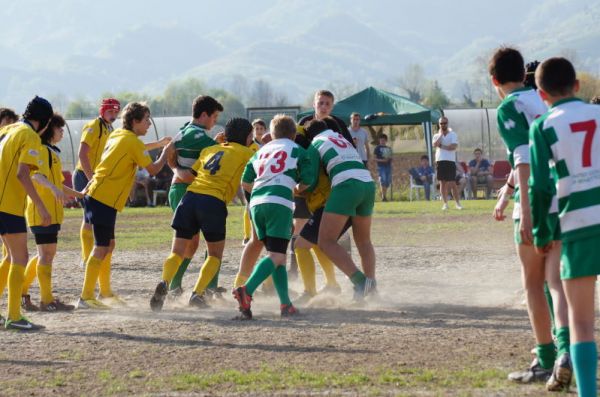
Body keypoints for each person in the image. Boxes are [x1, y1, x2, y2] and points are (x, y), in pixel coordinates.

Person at [489, 47, 570, 391]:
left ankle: (546, 358)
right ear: (524, 74)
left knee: (532, 282)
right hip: (566, 196)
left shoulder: (509, 106)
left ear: (494, 81)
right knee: (558, 280)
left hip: (537, 195)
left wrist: (523, 208)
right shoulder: (543, 101)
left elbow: (523, 159)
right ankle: (569, 350)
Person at [529, 57, 600, 397]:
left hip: (579, 222)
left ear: (541, 95)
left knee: (582, 323)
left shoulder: (542, 126)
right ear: (577, 86)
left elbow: (540, 187)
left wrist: (543, 233)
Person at [149, 118, 254, 312]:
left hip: (189, 198)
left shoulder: (209, 150)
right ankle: (197, 294)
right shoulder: (248, 153)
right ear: (248, 137)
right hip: (213, 202)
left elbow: (193, 173)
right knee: (214, 255)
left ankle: (164, 282)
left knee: (177, 252)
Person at [78, 102, 171, 309]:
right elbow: (154, 169)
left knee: (108, 245)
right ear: (135, 121)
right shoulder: (131, 142)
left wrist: (157, 145)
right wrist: (165, 151)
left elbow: (136, 150)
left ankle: (105, 293)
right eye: (146, 119)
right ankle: (86, 298)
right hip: (102, 197)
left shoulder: (120, 135)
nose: (148, 124)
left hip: (103, 197)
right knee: (101, 247)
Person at [233, 115, 313, 319]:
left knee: (275, 255)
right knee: (277, 255)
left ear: (272, 134)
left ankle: (285, 304)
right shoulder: (297, 149)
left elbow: (245, 182)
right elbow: (308, 180)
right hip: (279, 203)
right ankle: (246, 290)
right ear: (294, 134)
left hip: (256, 204)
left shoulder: (261, 151)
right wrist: (296, 188)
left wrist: (261, 190)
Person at [304, 119, 376, 300]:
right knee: (364, 242)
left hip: (346, 185)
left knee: (326, 242)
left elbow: (310, 181)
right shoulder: (341, 139)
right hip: (367, 183)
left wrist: (297, 189)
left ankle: (361, 282)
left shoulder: (315, 143)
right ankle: (372, 287)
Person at [0, 96, 55, 330]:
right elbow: (23, 174)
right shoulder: (31, 136)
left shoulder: (8, 129)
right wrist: (41, 206)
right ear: (45, 122)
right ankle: (14, 316)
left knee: (10, 258)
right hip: (8, 205)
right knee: (20, 258)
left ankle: (11, 314)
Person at [21, 114, 83, 312]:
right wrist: (54, 189)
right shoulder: (41, 150)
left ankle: (27, 293)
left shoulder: (51, 152)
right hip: (42, 211)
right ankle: (46, 300)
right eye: (59, 128)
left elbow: (58, 185)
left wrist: (79, 194)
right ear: (49, 129)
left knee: (46, 255)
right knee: (45, 255)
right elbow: (35, 175)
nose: (62, 132)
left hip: (52, 212)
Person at [167, 96, 223, 297]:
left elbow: (171, 150)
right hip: (184, 190)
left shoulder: (186, 130)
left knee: (193, 243)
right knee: (189, 242)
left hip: (189, 189)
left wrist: (175, 167)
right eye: (214, 116)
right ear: (204, 115)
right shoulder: (195, 134)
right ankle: (176, 285)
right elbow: (170, 151)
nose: (215, 121)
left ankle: (182, 285)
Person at [73, 98, 121, 270]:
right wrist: (91, 177)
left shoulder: (110, 128)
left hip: (97, 177)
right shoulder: (94, 126)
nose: (113, 115)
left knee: (92, 218)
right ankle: (86, 258)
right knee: (88, 217)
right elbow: (82, 154)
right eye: (110, 111)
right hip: (84, 174)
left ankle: (93, 255)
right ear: (102, 111)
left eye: (116, 112)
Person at [433, 117, 462, 210]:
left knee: (452, 183)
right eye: (441, 123)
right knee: (442, 183)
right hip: (440, 160)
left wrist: (441, 146)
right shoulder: (436, 135)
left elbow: (453, 147)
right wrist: (441, 135)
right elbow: (434, 144)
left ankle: (458, 203)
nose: (443, 125)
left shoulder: (453, 134)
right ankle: (445, 204)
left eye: (444, 123)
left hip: (450, 161)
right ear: (439, 124)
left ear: (447, 123)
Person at [373, 134, 392, 201]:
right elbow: (374, 158)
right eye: (381, 140)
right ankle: (384, 197)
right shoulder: (377, 148)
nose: (382, 141)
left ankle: (383, 195)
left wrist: (389, 158)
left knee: (388, 182)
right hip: (381, 166)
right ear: (379, 140)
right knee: (383, 180)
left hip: (388, 166)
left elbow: (390, 158)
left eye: (383, 140)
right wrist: (382, 160)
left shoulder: (388, 148)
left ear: (386, 141)